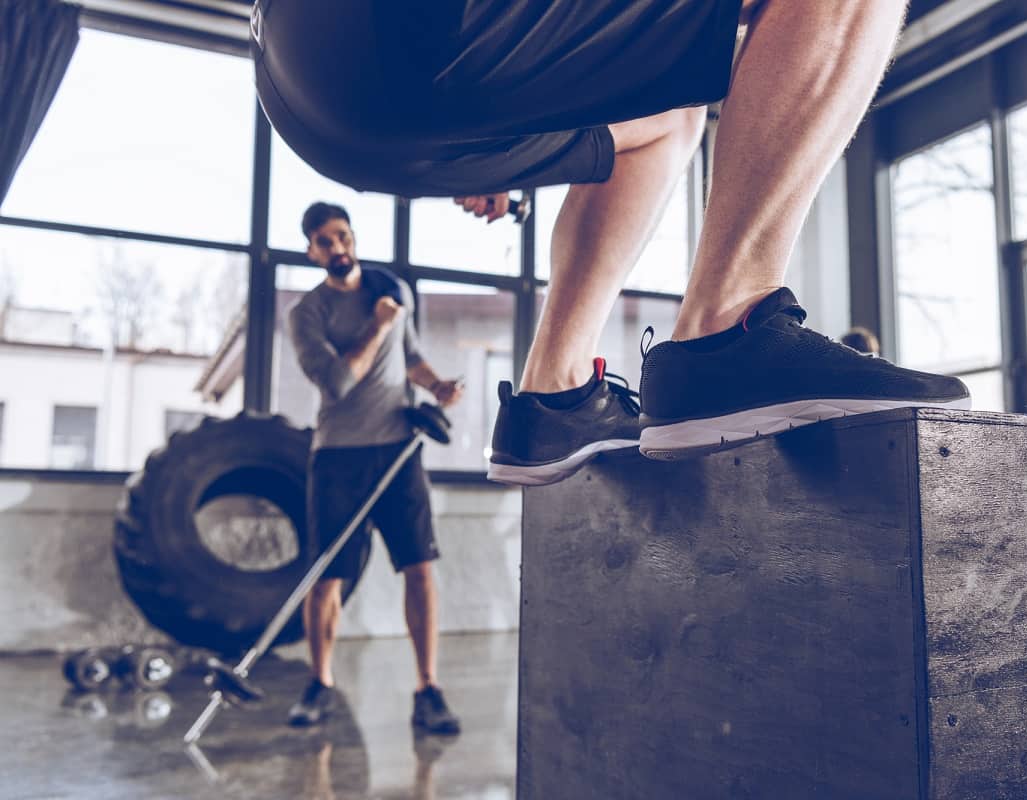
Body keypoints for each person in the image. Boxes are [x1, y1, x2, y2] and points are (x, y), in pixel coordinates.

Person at [254, 0, 971, 487]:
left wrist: (505, 136)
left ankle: (554, 398)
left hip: (314, 86)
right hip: (410, 32)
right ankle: (732, 328)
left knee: (666, 115)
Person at [286, 201, 464, 733]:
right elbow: (339, 382)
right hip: (338, 456)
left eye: (342, 235)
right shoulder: (307, 314)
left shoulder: (388, 296)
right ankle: (320, 683)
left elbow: (409, 357)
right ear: (311, 251)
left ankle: (427, 690)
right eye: (324, 241)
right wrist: (378, 327)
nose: (336, 247)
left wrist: (437, 386)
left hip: (398, 449)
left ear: (353, 237)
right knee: (327, 579)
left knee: (420, 570)